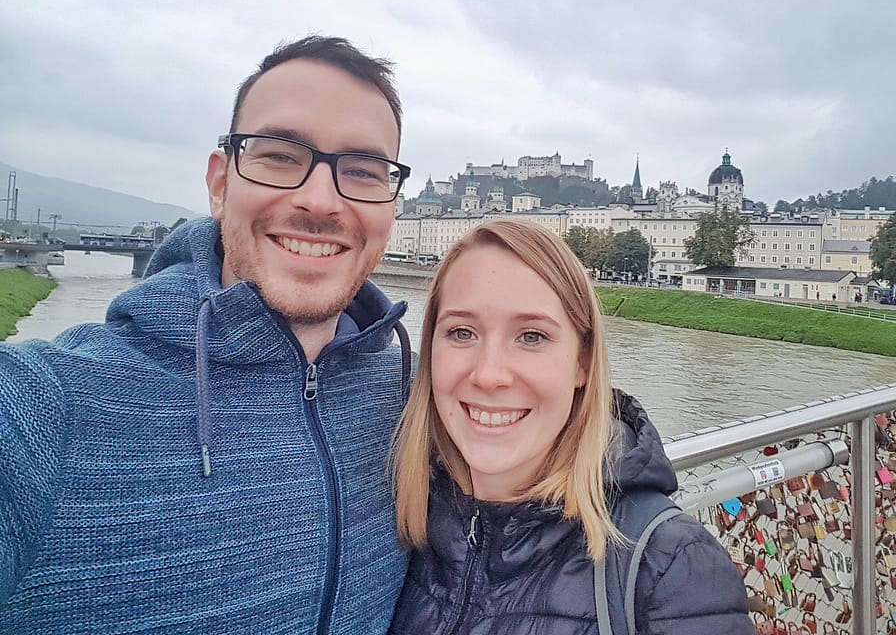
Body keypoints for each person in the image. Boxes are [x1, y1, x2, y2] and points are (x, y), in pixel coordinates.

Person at [0, 36, 414, 634]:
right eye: (280, 155)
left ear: (392, 205)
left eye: (363, 170)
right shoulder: (48, 406)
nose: (321, 200)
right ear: (220, 184)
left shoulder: (424, 397)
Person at [389, 220, 753, 634]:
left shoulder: (670, 567)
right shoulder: (396, 515)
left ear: (582, 361)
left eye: (531, 336)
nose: (489, 375)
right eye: (461, 332)